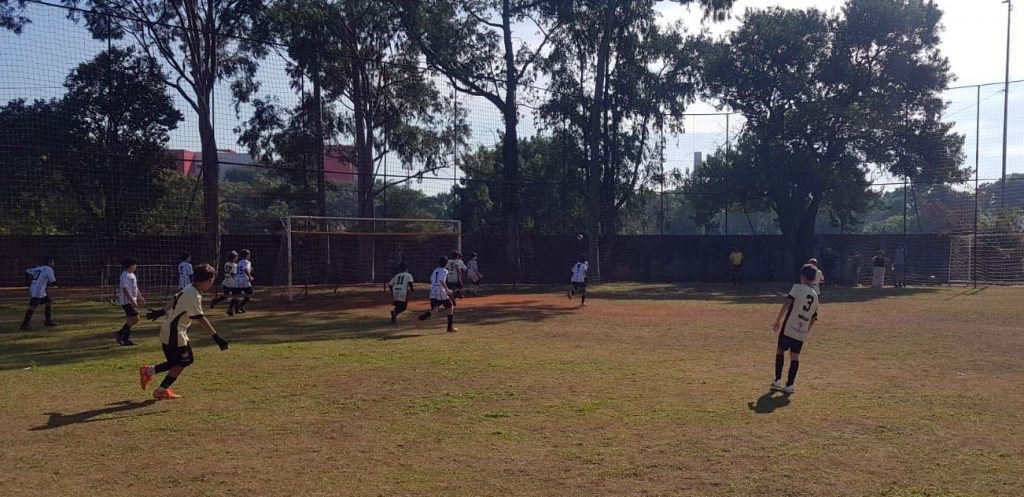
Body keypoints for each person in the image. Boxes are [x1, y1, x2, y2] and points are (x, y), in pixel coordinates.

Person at [139, 264, 229, 400]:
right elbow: (200, 318)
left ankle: (150, 373)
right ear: (208, 281)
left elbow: (174, 298)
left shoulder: (190, 288)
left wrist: (162, 311)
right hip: (175, 333)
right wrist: (216, 337)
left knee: (177, 361)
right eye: (212, 280)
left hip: (170, 331)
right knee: (183, 361)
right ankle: (158, 386)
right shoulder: (193, 294)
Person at [770, 264, 821, 394]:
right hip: (801, 331)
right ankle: (790, 385)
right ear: (814, 278)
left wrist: (778, 320)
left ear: (802, 276)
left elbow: (787, 302)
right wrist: (805, 331)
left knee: (780, 350)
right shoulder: (815, 295)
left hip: (789, 327)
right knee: (795, 356)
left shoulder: (797, 288)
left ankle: (777, 380)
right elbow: (814, 318)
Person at [415, 256, 458, 333]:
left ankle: (420, 319)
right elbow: (442, 281)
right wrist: (447, 290)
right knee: (450, 307)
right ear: (447, 263)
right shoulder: (445, 271)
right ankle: (449, 327)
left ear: (438, 263)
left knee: (434, 310)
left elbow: (432, 279)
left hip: (433, 291)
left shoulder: (435, 270)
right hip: (440, 291)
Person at [20, 257, 58, 331]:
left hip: (36, 288)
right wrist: (56, 285)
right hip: (38, 290)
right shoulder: (48, 269)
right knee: (32, 306)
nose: (54, 263)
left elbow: (27, 271)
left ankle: (47, 322)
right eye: (53, 261)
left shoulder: (38, 268)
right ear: (49, 262)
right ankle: (24, 325)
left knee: (48, 302)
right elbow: (53, 280)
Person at [116, 257, 145, 346]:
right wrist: (132, 301)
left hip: (131, 300)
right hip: (126, 301)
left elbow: (135, 287)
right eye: (134, 264)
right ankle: (120, 333)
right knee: (135, 318)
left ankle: (125, 340)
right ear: (130, 266)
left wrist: (140, 297)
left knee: (130, 319)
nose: (136, 266)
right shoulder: (125, 275)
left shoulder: (132, 274)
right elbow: (125, 290)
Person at [232, 249, 255, 315]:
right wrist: (250, 276)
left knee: (237, 295)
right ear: (247, 255)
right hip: (244, 280)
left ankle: (236, 310)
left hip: (237, 279)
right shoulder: (247, 262)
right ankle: (241, 305)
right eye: (249, 254)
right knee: (250, 293)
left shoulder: (238, 262)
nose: (249, 256)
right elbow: (245, 269)